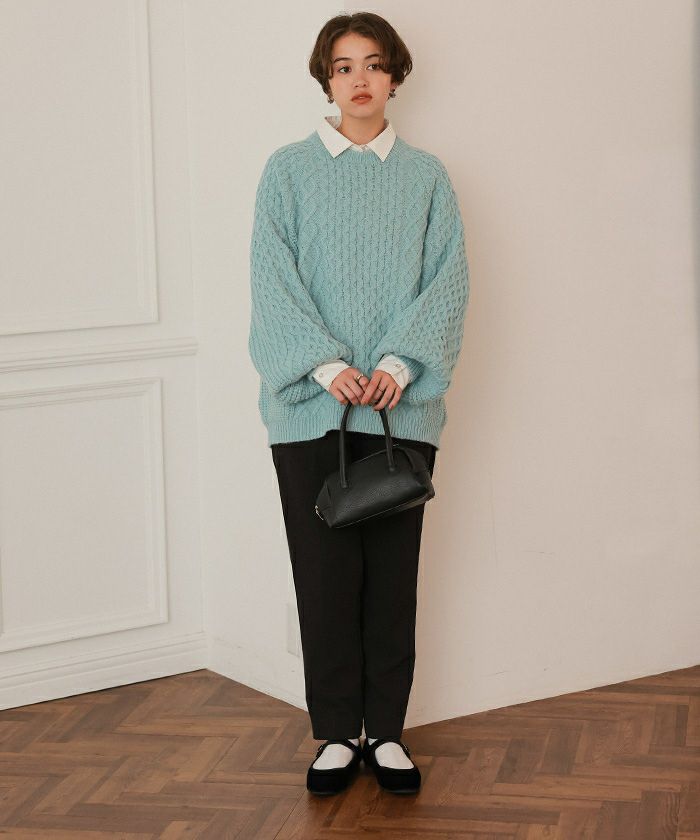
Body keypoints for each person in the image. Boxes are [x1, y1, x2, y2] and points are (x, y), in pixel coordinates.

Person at [248, 11, 470, 795]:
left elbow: (447, 283)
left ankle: (389, 734)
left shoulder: (427, 176)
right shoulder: (287, 171)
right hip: (312, 409)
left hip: (399, 411)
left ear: (396, 76)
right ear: (326, 79)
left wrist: (398, 366)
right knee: (325, 580)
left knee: (392, 577)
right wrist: (327, 365)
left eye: (374, 64)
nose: (360, 79)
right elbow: (272, 281)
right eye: (344, 67)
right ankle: (338, 734)